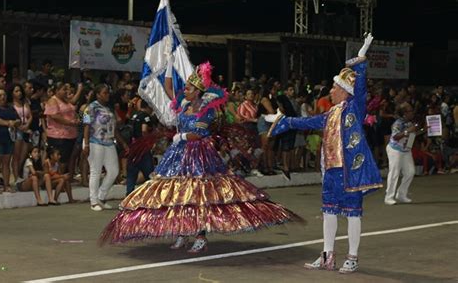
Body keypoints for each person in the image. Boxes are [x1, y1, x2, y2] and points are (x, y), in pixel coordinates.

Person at [100, 62, 302, 252]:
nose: (184, 90)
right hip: (179, 154)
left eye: (188, 88)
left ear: (198, 92)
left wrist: (182, 136)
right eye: (185, 87)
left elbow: (199, 134)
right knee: (178, 195)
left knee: (199, 196)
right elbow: (169, 88)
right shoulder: (183, 104)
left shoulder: (207, 110)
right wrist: (169, 65)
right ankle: (182, 231)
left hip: (198, 154)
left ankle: (200, 235)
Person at [266, 34, 382, 274]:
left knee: (352, 214)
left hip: (350, 171)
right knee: (328, 211)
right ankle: (328, 255)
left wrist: (361, 59)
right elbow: (306, 121)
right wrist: (282, 120)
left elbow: (360, 89)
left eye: (335, 87)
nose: (331, 90)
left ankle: (352, 256)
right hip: (331, 170)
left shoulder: (354, 108)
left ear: (344, 91)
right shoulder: (329, 115)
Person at [83, 84, 129, 211]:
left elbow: (114, 129)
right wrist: (86, 144)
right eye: (104, 93)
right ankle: (93, 201)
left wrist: (123, 143)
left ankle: (101, 197)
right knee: (95, 171)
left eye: (108, 93)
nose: (107, 95)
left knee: (114, 171)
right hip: (94, 141)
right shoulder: (90, 108)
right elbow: (86, 126)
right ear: (97, 94)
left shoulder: (109, 109)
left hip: (109, 142)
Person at [385, 102, 420, 204]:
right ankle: (388, 197)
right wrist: (408, 131)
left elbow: (412, 135)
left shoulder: (410, 123)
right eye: (410, 111)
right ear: (404, 113)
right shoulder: (398, 123)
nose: (412, 112)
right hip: (395, 150)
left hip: (405, 150)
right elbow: (396, 137)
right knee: (394, 173)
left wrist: (424, 130)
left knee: (410, 172)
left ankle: (401, 194)